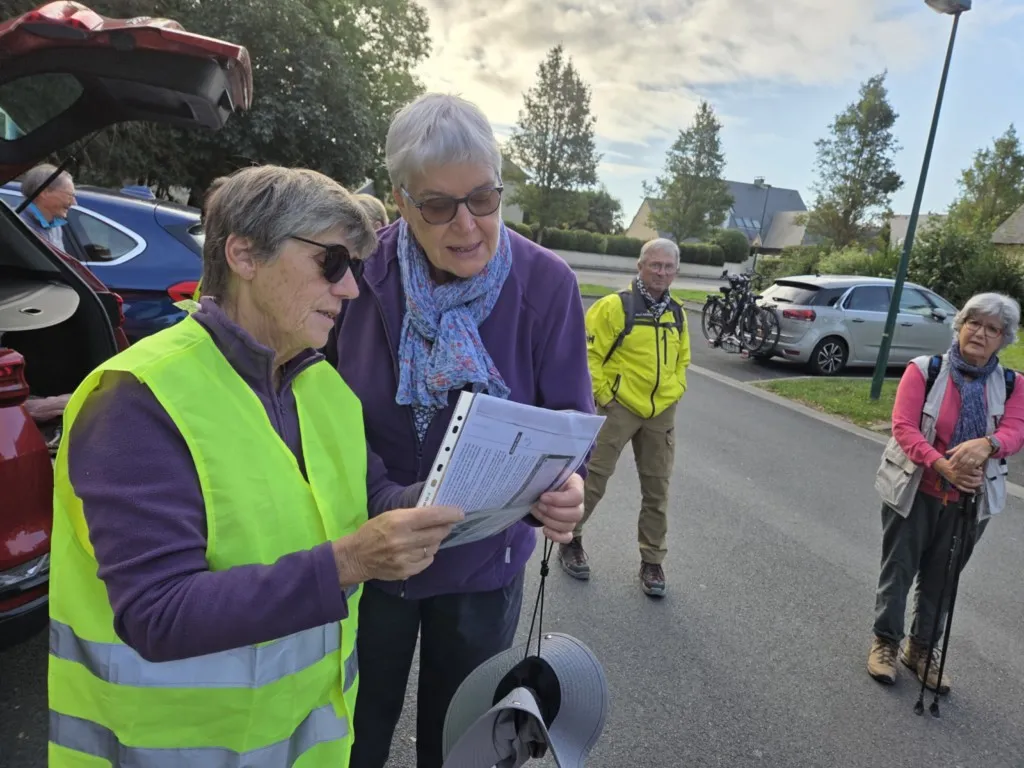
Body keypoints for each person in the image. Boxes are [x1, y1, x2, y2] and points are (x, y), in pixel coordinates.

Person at [47, 165, 463, 767]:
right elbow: (157, 613)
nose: (350, 289)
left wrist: (485, 488)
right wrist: (348, 562)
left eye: (355, 268)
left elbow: (373, 500)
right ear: (244, 254)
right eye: (331, 262)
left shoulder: (322, 386)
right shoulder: (139, 398)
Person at [327, 92, 592, 768]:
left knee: (461, 745)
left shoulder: (548, 284)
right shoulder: (359, 272)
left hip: (483, 565)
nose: (468, 224)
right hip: (371, 549)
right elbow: (316, 406)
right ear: (400, 199)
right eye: (439, 205)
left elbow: (568, 423)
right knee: (351, 736)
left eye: (483, 198)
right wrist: (384, 501)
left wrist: (568, 490)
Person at [869, 291, 1024, 693]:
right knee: (899, 569)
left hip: (968, 501)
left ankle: (921, 650)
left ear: (1003, 339)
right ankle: (885, 642)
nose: (981, 333)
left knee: (943, 577)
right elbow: (904, 427)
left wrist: (988, 444)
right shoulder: (925, 370)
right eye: (974, 322)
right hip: (917, 488)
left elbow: (1015, 430)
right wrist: (942, 465)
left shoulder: (1012, 384)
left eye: (993, 329)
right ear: (960, 325)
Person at [559, 238, 690, 597]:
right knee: (592, 480)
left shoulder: (677, 313)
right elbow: (587, 355)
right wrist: (605, 396)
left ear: (676, 271)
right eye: (655, 265)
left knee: (657, 489)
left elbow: (683, 358)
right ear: (640, 266)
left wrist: (676, 388)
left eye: (668, 266)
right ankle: (570, 540)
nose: (661, 272)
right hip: (617, 408)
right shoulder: (614, 306)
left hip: (661, 411)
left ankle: (652, 560)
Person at [18, 163, 75, 250]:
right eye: (70, 195)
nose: (74, 202)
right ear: (45, 193)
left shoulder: (55, 227)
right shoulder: (15, 225)